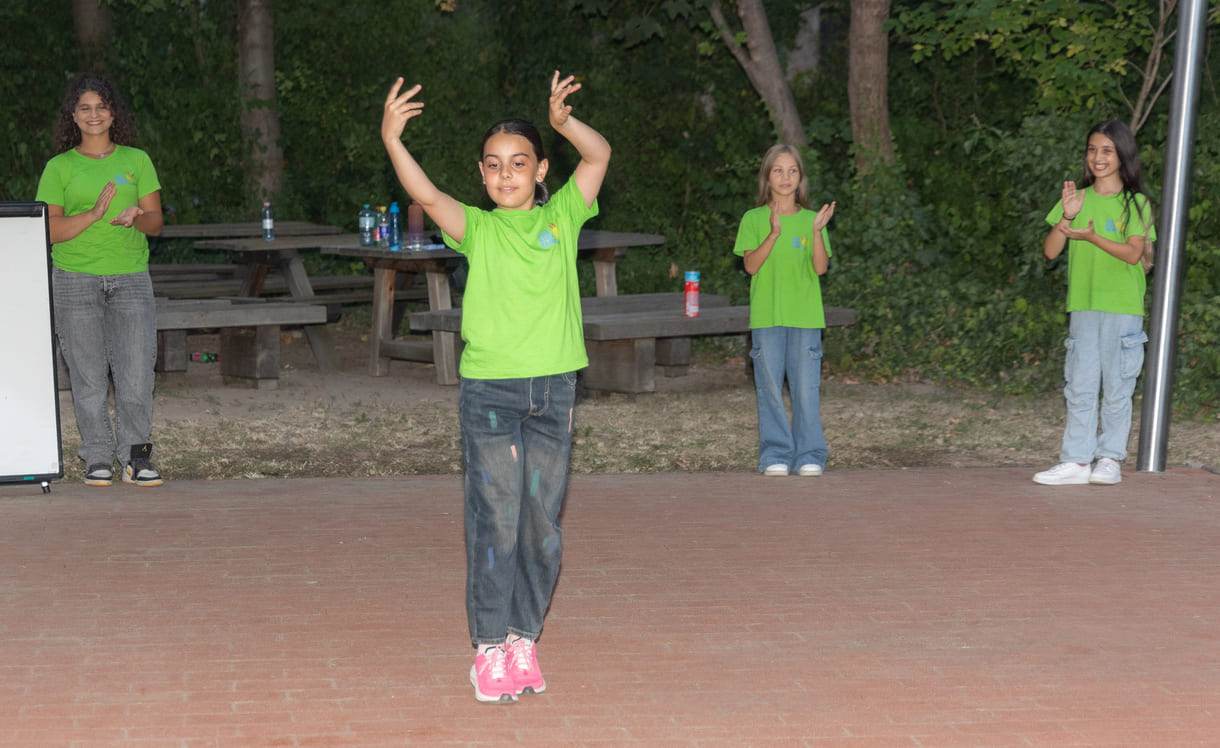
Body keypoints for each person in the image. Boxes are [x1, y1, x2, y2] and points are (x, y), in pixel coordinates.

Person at [380, 72, 610, 703]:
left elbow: (599, 155)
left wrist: (563, 123)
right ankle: (487, 649)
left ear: (540, 172)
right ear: (481, 176)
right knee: (496, 521)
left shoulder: (564, 215)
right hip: (491, 398)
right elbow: (424, 191)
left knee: (540, 525)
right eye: (493, 166)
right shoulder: (476, 228)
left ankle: (521, 638)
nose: (505, 175)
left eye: (519, 163)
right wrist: (394, 140)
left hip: (553, 393)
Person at [36, 73, 164, 487]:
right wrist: (91, 215)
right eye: (85, 108)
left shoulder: (137, 160)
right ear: (73, 116)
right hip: (74, 279)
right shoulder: (59, 167)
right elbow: (49, 230)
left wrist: (138, 217)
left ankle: (136, 456)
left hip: (130, 278)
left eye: (102, 106)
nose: (94, 115)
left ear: (114, 113)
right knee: (87, 374)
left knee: (136, 373)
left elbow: (158, 223)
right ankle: (96, 456)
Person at [1034, 119, 1155, 486]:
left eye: (1107, 150)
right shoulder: (1077, 198)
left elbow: (1134, 255)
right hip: (1083, 306)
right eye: (1092, 149)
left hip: (1123, 307)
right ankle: (1076, 461)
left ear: (1122, 155)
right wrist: (1068, 217)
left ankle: (1109, 459)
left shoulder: (1136, 203)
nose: (1098, 157)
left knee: (1117, 389)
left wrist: (1090, 237)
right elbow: (1051, 251)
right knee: (1080, 385)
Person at [733, 145, 836, 478]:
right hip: (766, 318)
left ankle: (811, 454)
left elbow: (820, 269)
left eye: (792, 170)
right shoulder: (752, 219)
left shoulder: (811, 221)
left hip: (805, 319)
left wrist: (817, 232)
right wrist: (774, 233)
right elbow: (750, 265)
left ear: (800, 178)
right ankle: (775, 454)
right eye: (778, 170)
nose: (786, 177)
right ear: (767, 177)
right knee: (770, 390)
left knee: (806, 391)